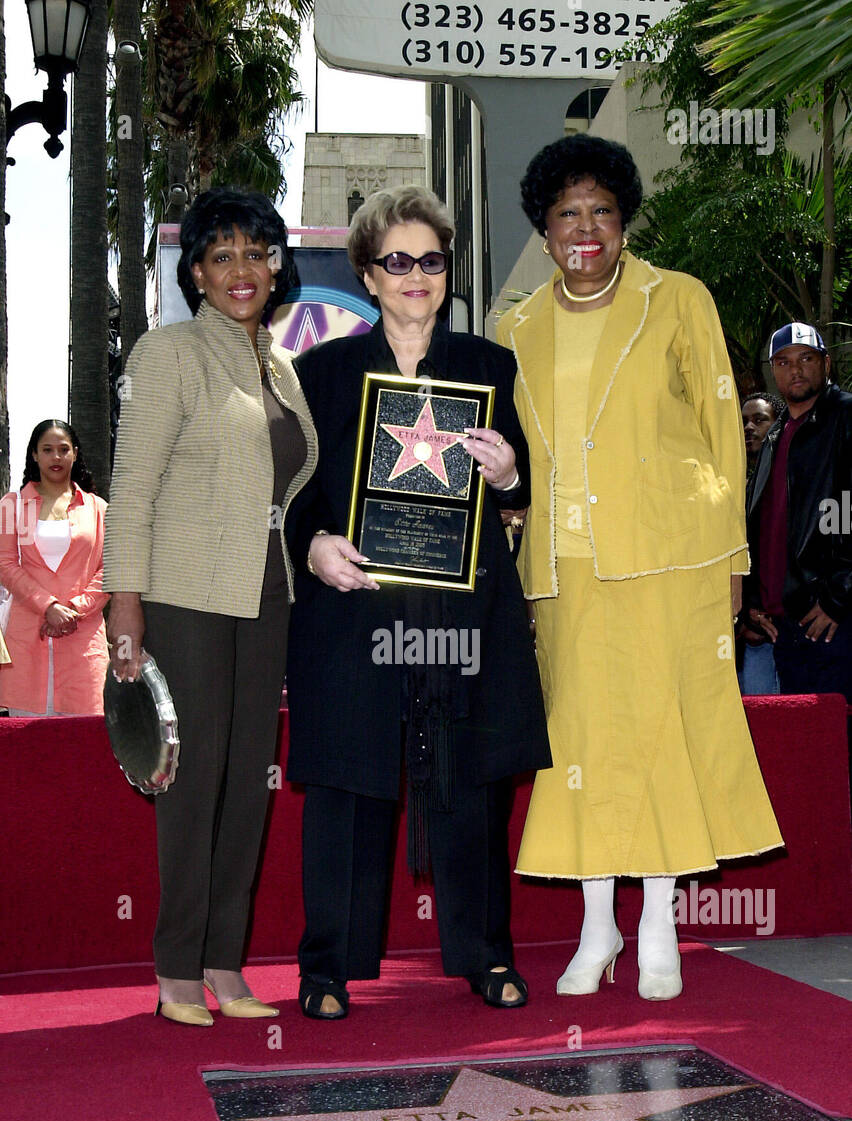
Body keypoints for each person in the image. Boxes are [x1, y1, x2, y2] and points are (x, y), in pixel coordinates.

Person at [498, 134, 782, 1001]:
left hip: (673, 555)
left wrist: (732, 555)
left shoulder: (679, 300)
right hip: (564, 566)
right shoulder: (514, 325)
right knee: (578, 744)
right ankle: (597, 928)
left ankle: (658, 922)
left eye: (601, 213)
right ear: (543, 233)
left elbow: (723, 426)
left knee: (662, 734)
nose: (584, 230)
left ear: (623, 223)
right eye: (565, 215)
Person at [285, 185, 550, 1019]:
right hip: (355, 610)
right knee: (345, 783)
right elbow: (293, 495)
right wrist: (314, 545)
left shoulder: (487, 366)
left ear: (446, 271)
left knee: (472, 782)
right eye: (396, 260)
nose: (414, 275)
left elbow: (521, 485)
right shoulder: (319, 374)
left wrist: (507, 472)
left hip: (461, 612)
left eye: (430, 260)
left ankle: (485, 957)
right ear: (367, 273)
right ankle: (327, 966)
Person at [103, 187, 318, 1027]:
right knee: (190, 785)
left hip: (267, 596)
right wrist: (126, 608)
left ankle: (226, 964)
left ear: (276, 265)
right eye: (222, 255)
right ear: (195, 270)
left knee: (247, 785)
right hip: (185, 596)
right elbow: (131, 486)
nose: (242, 270)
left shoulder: (280, 364)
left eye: (257, 253)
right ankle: (176, 970)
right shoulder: (170, 354)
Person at [741, 323, 852, 703]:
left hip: (830, 621)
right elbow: (763, 525)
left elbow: (845, 511)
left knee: (837, 749)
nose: (796, 370)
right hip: (784, 625)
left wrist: (839, 598)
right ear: (774, 370)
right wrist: (753, 601)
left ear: (825, 363)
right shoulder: (775, 435)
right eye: (784, 361)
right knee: (801, 751)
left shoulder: (844, 418)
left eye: (806, 359)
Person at [0, 421, 108, 717]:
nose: (56, 457)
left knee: (83, 746)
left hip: (84, 639)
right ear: (34, 455)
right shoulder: (12, 506)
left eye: (63, 450)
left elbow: (108, 571)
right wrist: (48, 606)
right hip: (26, 638)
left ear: (75, 454)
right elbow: (5, 565)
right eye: (47, 450)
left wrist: (73, 609)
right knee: (29, 751)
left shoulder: (98, 509)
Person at [738, 391, 784, 694]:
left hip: (783, 622)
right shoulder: (730, 480)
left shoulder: (785, 478)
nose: (749, 428)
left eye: (759, 420)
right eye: (743, 422)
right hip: (744, 628)